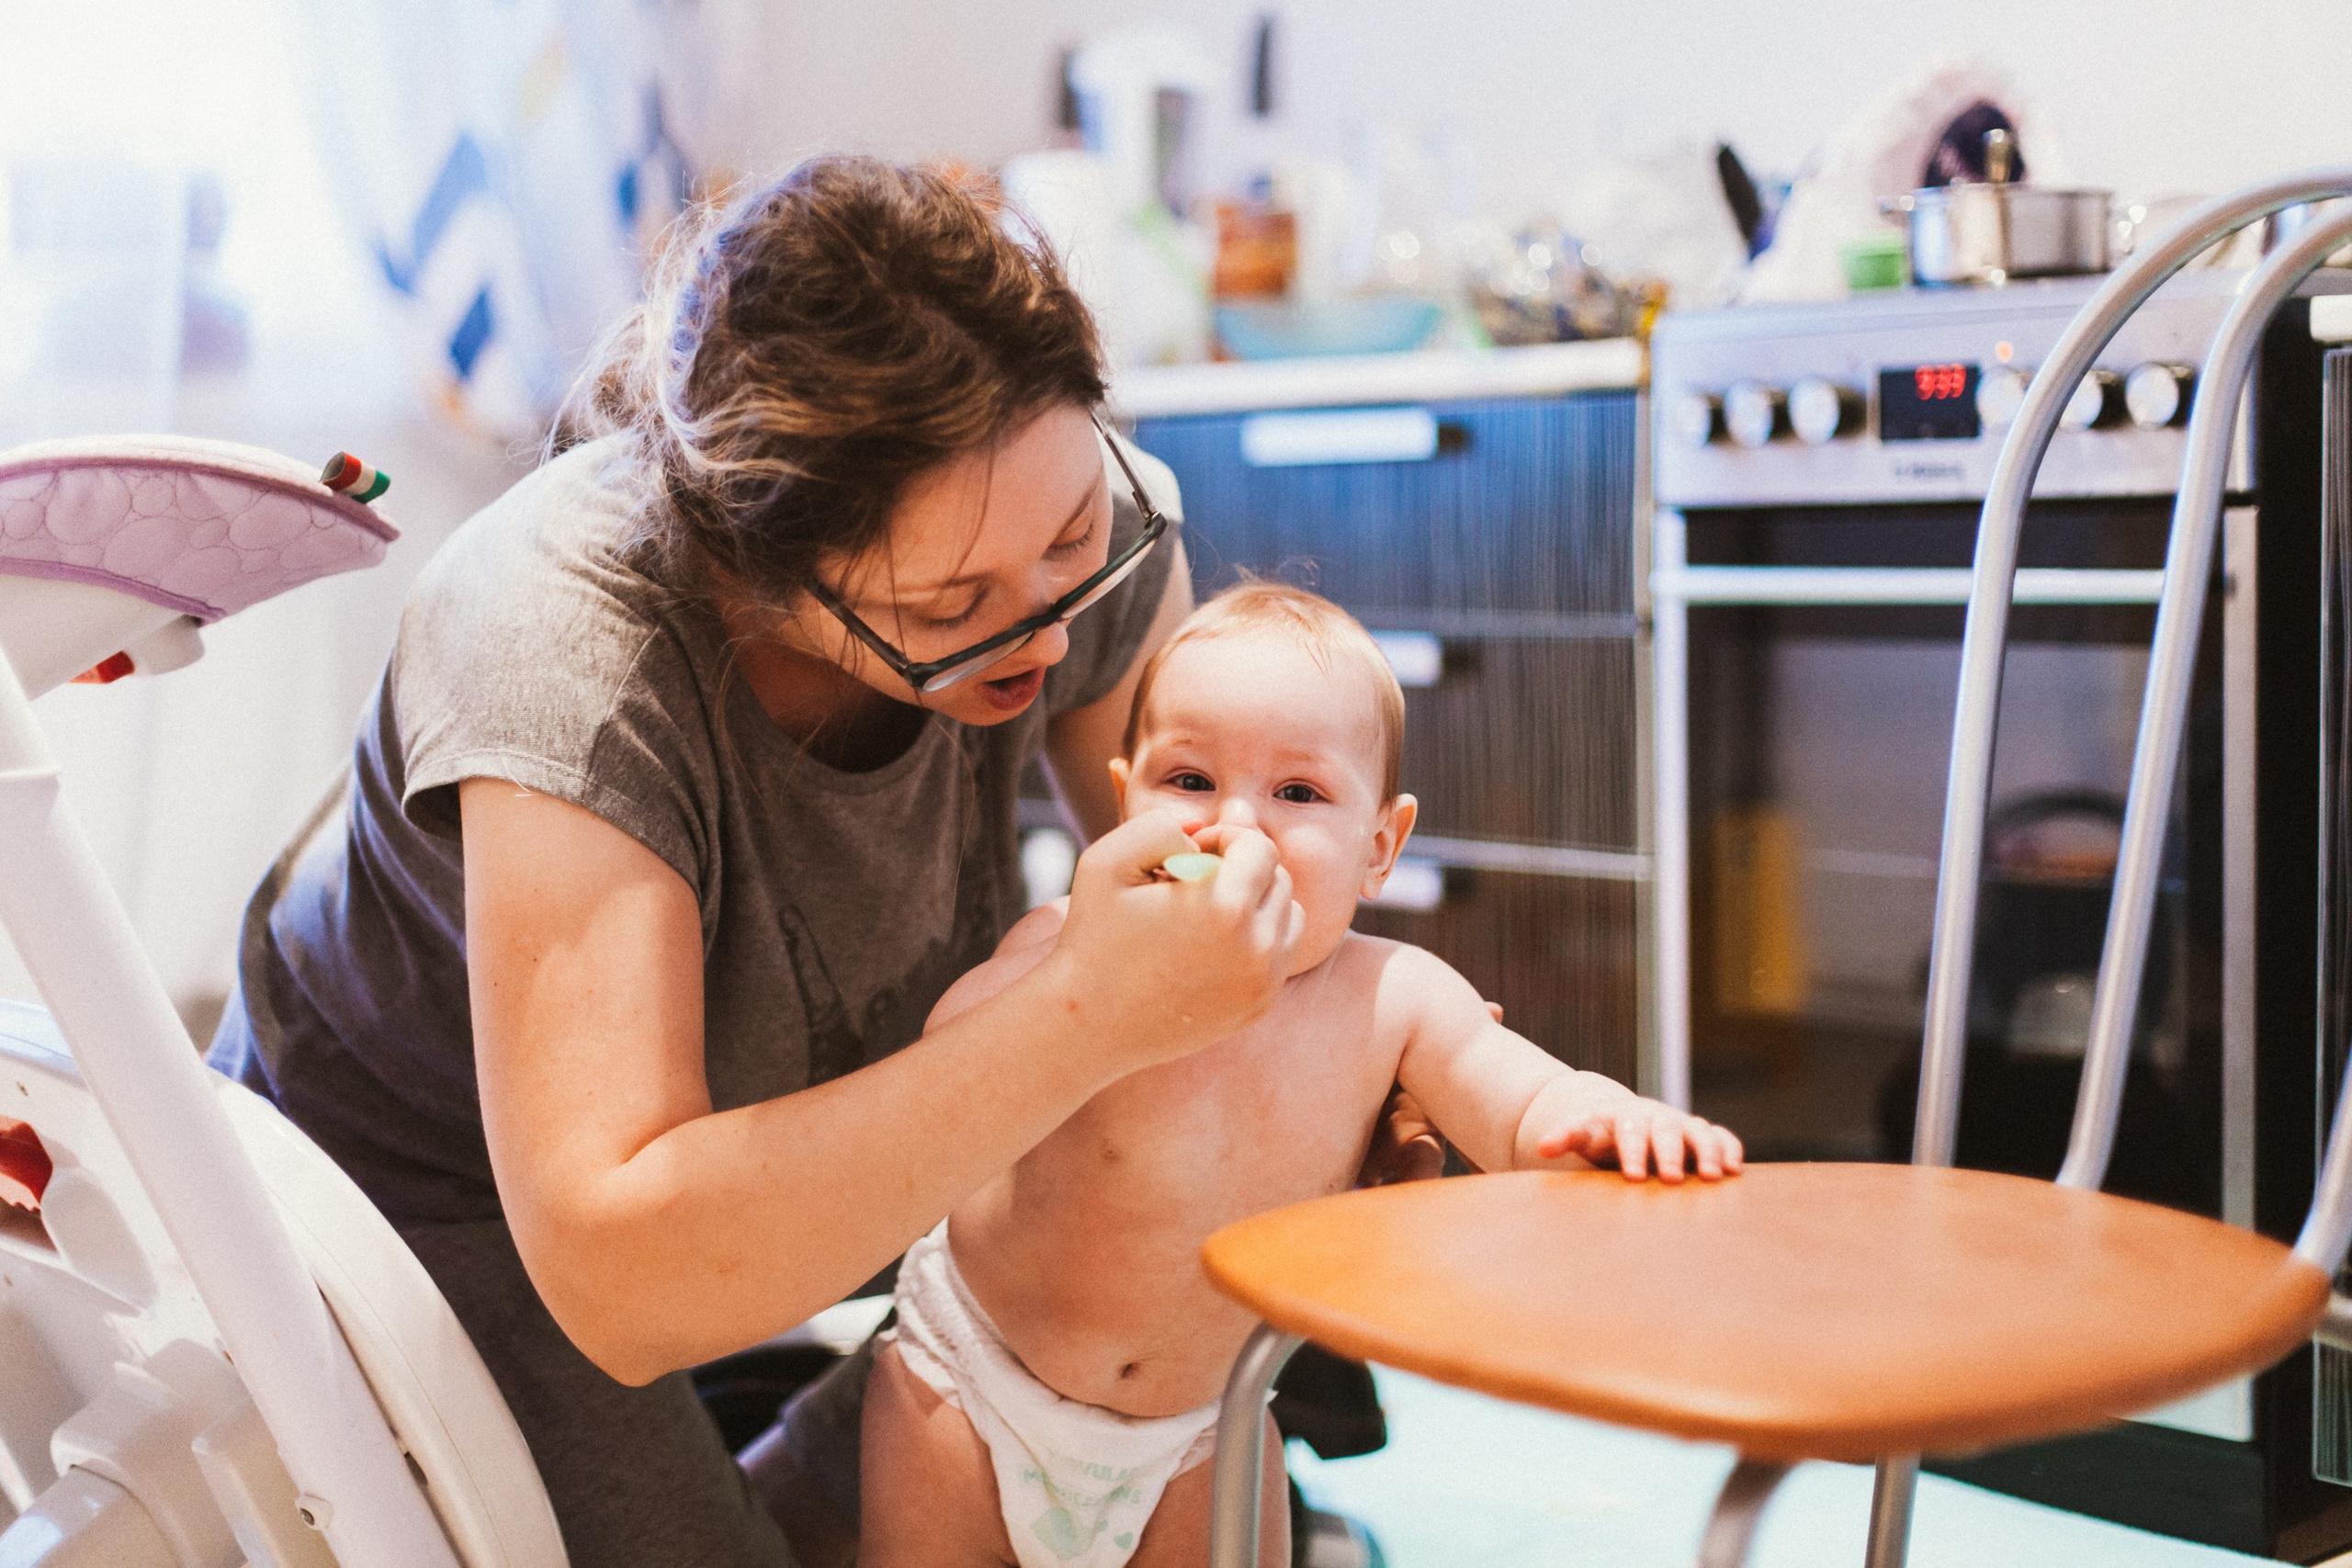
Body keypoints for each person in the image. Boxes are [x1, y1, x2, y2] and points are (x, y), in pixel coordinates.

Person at [209, 155, 1396, 1568]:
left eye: (1079, 537)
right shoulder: (557, 644)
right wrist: (1084, 1015)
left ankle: (816, 1463)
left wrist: (1349, 1067)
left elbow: (1224, 903)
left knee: (1147, 1371)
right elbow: (624, 1273)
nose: (1051, 633)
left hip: (812, 1098)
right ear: (763, 575)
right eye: (953, 606)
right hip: (442, 1188)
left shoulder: (1057, 520)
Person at [857, 581, 1746, 1568]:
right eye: (1187, 780)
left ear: (1379, 848)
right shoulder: (1070, 942)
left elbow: (1523, 1098)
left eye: (1298, 794)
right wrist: (1086, 985)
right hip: (969, 1382)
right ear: (1122, 805)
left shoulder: (1393, 996)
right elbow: (951, 1062)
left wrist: (1608, 1125)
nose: (1237, 824)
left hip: (1197, 1432)